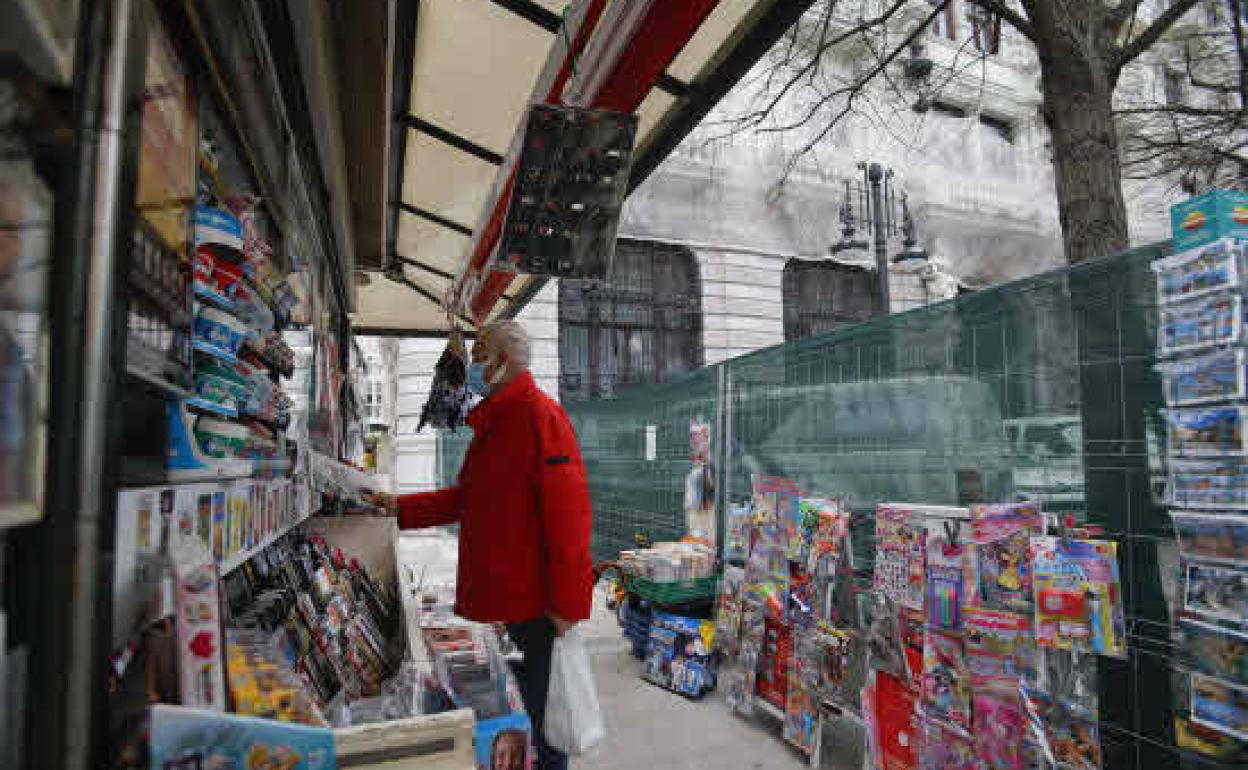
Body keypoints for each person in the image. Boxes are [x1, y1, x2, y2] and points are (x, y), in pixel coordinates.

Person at [369, 320, 593, 770]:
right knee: (526, 714)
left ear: (502, 361)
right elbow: (466, 500)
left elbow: (569, 520)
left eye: (478, 355)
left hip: (537, 606)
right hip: (508, 600)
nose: (471, 366)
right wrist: (397, 508)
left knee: (549, 725)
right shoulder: (497, 422)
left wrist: (567, 606)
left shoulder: (540, 417)